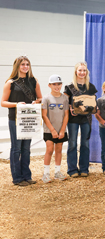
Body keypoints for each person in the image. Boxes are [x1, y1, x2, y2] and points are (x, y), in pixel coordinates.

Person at [1, 56, 42, 186]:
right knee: (16, 148)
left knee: (26, 148)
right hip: (15, 119)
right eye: (22, 64)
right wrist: (17, 104)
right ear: (17, 66)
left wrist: (36, 101)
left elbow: (40, 98)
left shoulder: (34, 81)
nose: (25, 67)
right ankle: (17, 178)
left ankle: (27, 176)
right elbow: (3, 102)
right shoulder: (11, 82)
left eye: (27, 64)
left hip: (29, 118)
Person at [64, 62, 97, 177]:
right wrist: (70, 107)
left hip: (86, 119)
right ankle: (72, 169)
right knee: (72, 143)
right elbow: (65, 102)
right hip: (73, 119)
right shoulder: (69, 87)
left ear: (86, 72)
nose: (82, 73)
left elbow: (94, 101)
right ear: (76, 72)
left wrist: (94, 108)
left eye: (84, 70)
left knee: (85, 143)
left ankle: (84, 169)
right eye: (80, 70)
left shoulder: (91, 87)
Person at [41, 75, 69, 183]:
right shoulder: (46, 98)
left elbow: (66, 115)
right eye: (54, 84)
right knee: (49, 149)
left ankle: (57, 172)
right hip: (49, 130)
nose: (56, 86)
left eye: (58, 84)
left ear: (61, 85)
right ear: (49, 85)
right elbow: (44, 115)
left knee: (59, 149)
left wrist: (62, 130)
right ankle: (46, 174)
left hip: (61, 130)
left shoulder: (64, 98)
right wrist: (52, 130)